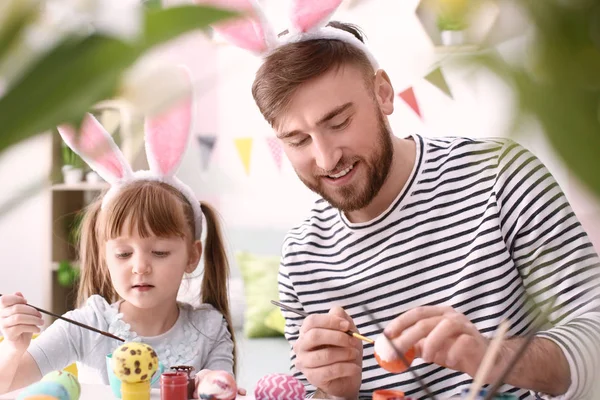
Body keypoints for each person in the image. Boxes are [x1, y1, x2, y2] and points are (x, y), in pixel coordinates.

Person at [211, 1, 600, 399]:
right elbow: (314, 392)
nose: (326, 158)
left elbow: (595, 329)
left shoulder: (499, 175)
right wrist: (336, 392)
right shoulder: (301, 258)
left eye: (339, 122)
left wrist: (492, 356)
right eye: (298, 140)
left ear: (383, 93)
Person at [0, 67, 245, 398]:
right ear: (105, 257)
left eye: (159, 252)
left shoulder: (209, 328)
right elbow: (7, 383)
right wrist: (14, 349)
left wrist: (211, 384)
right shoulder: (87, 325)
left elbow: (221, 387)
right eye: (123, 253)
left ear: (192, 256)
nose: (140, 267)